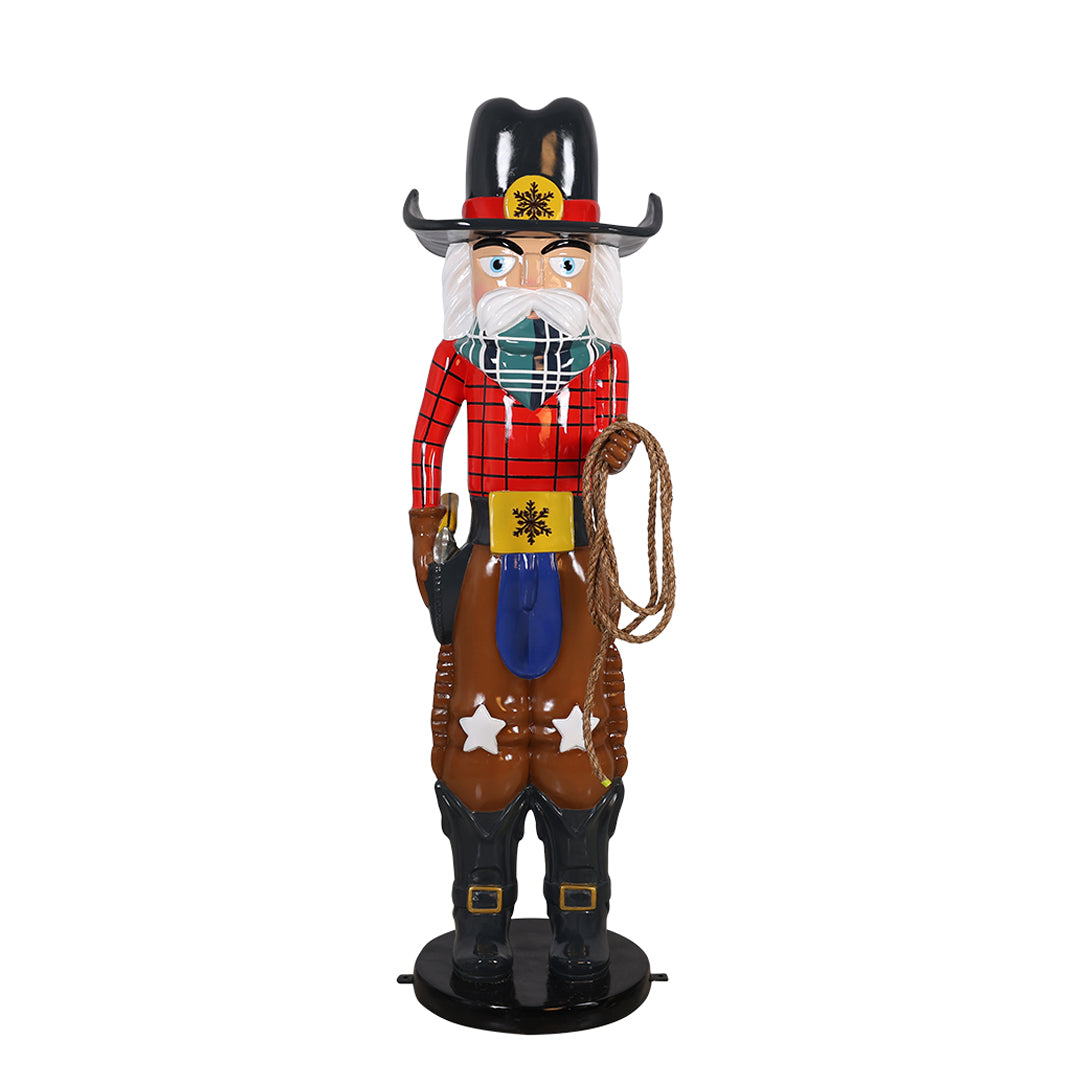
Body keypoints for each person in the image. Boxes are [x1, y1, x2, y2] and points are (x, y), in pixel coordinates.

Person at [403, 97, 662, 983]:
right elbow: (427, 445)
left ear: (594, 267)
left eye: (563, 258)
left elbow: (607, 454)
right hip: (486, 556)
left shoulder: (604, 363)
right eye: (503, 258)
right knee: (483, 724)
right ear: (470, 265)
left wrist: (614, 454)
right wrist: (428, 537)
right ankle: (478, 919)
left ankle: (581, 917)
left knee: (573, 726)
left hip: (574, 557)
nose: (535, 278)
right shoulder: (459, 360)